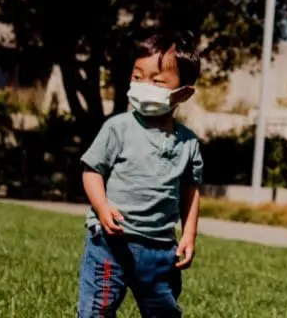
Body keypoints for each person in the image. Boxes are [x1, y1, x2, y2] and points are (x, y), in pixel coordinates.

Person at [77, 31, 205, 318]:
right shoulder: (118, 128)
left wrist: (189, 234)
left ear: (183, 92)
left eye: (157, 81)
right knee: (97, 310)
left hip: (160, 251)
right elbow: (92, 171)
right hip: (112, 244)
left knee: (163, 312)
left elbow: (190, 190)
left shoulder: (189, 143)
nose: (144, 86)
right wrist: (102, 206)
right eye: (137, 77)